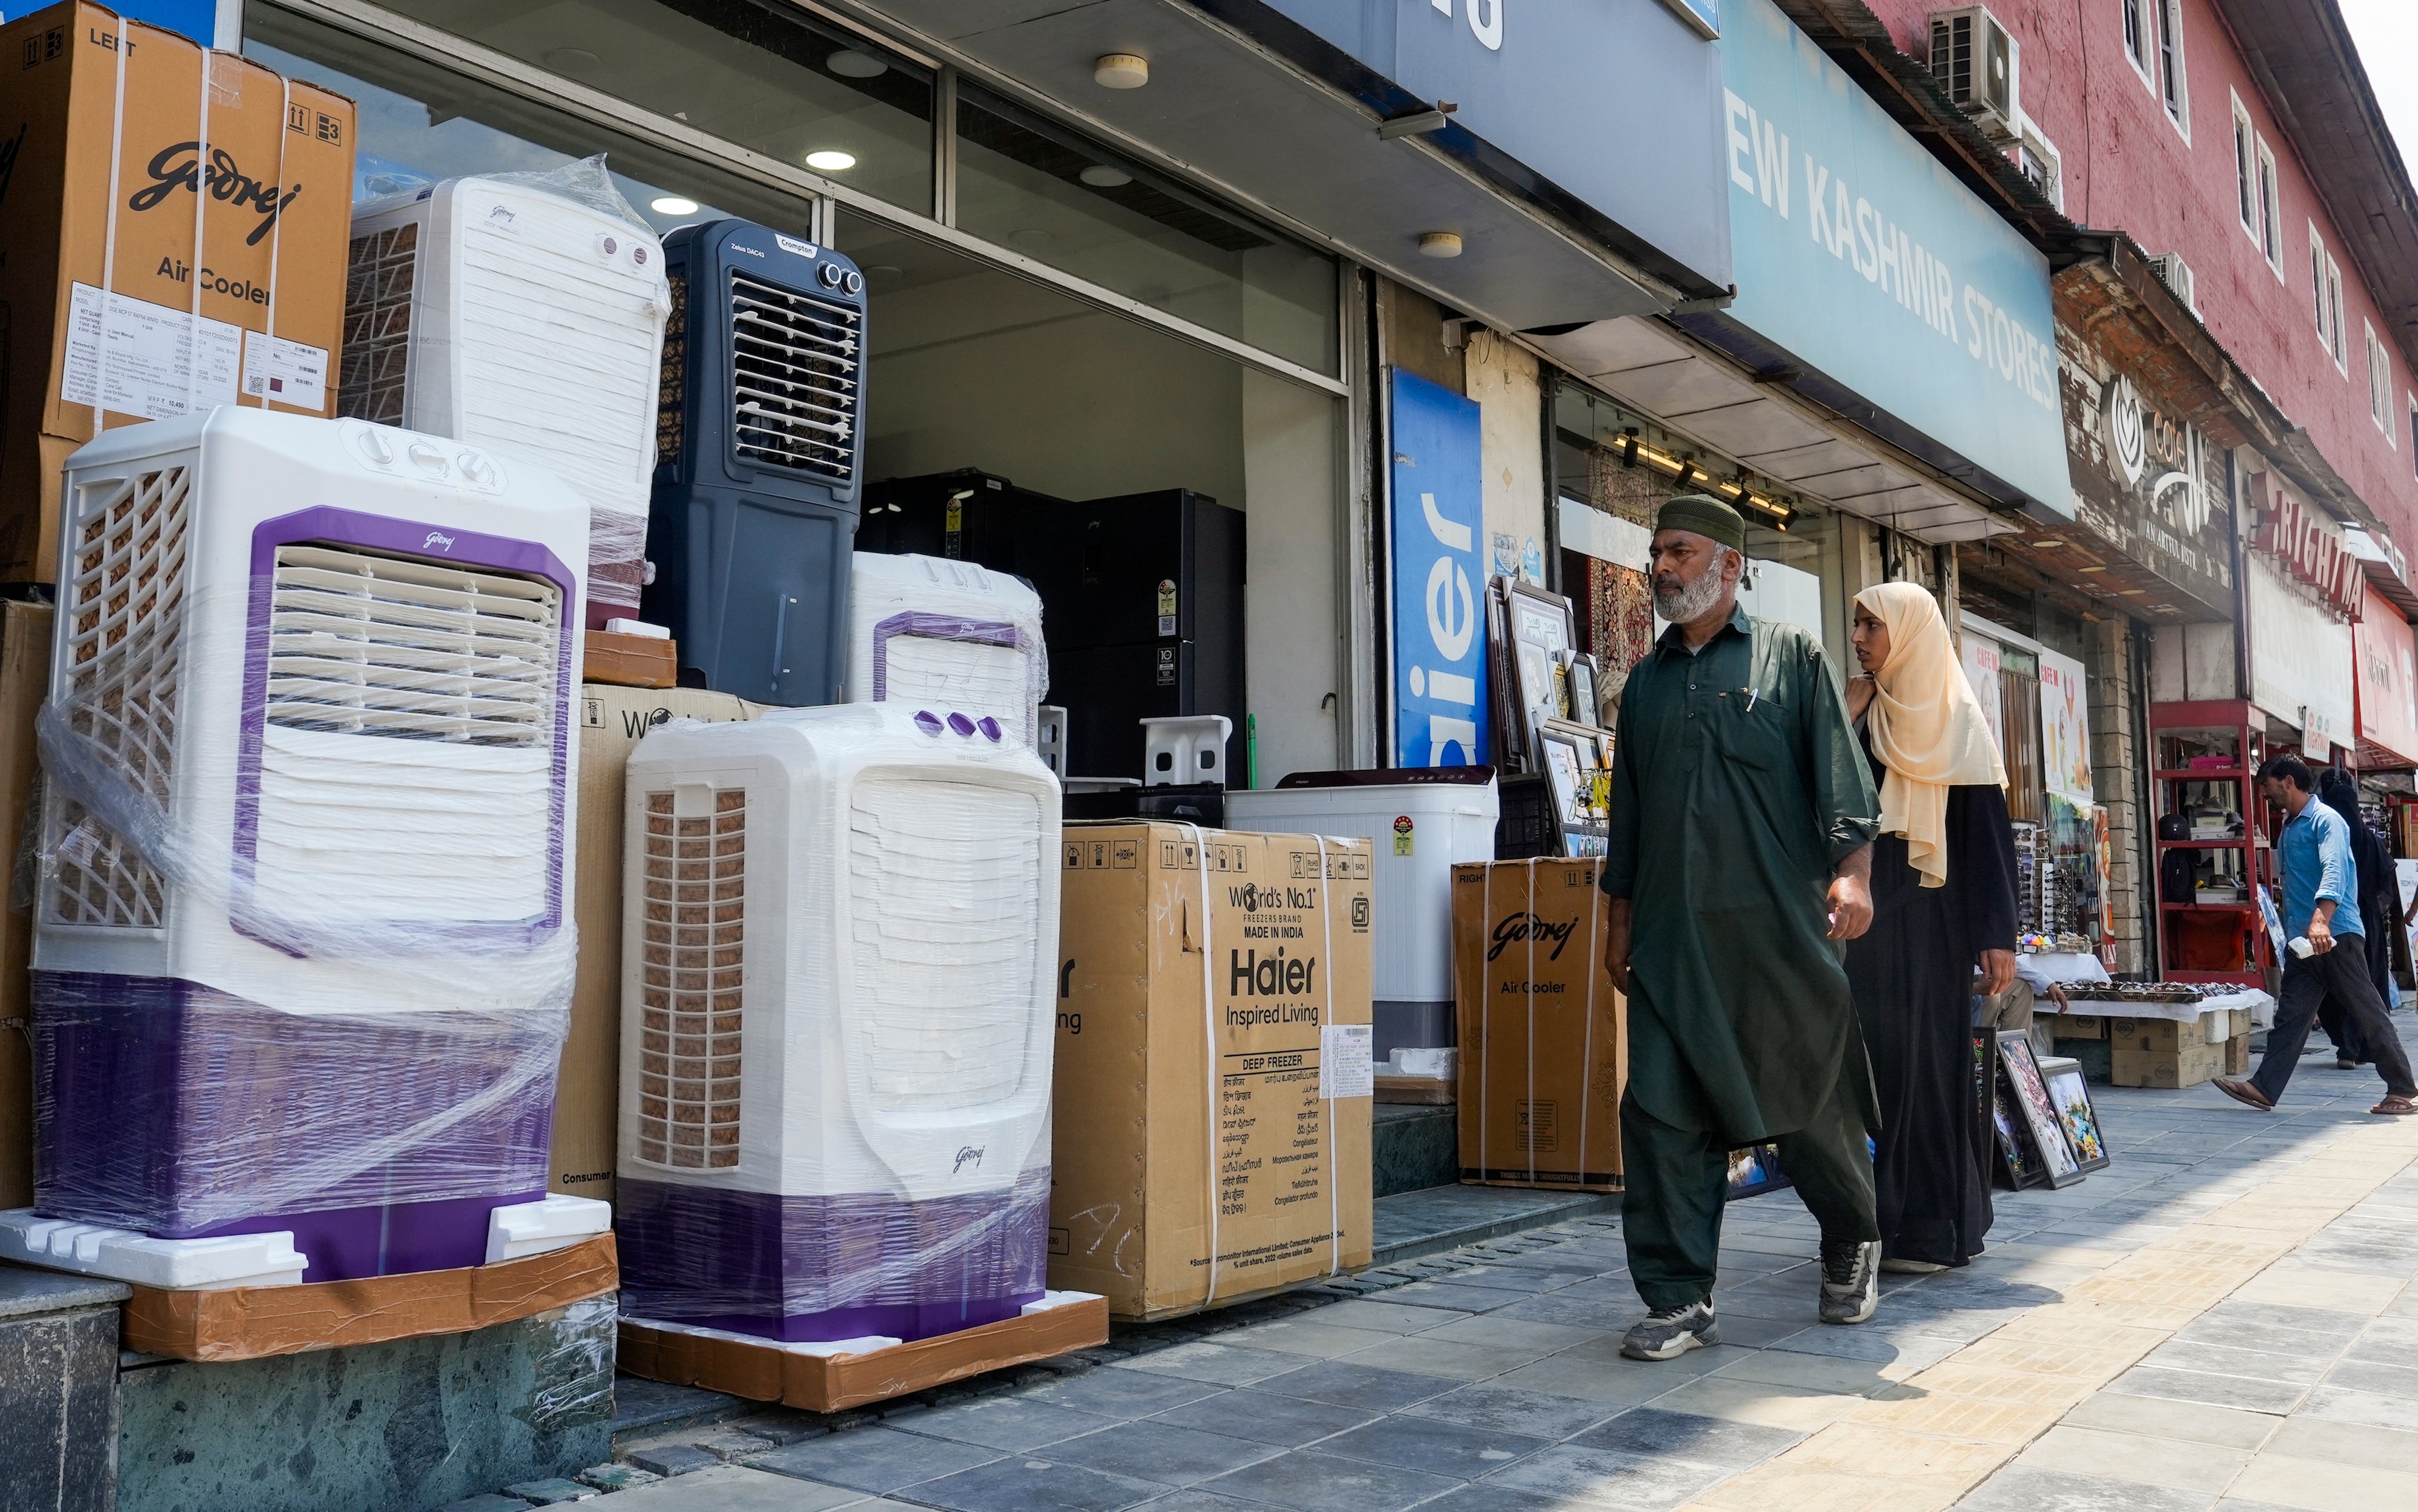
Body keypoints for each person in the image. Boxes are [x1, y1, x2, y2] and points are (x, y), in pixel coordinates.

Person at [1600, 495, 1884, 1362]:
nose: (1662, 567)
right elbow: (1632, 823)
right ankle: (1680, 1296)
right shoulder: (1643, 685)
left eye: (1679, 551)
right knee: (1660, 1114)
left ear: (1727, 563)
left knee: (1807, 1106)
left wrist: (1854, 875)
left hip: (1777, 937)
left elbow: (1843, 786)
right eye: (1656, 553)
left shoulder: (1789, 658)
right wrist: (1618, 924)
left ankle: (1853, 1233)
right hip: (1671, 944)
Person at [1841, 583, 2019, 1275]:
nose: (1859, 638)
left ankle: (1934, 1225)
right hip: (1867, 929)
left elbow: (1985, 836)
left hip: (1936, 930)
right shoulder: (1861, 714)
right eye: (1856, 623)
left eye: (1872, 626)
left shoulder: (1959, 721)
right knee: (1876, 1074)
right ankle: (1873, 1221)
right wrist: (1840, 721)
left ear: (1910, 634)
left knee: (1930, 1071)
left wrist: (1997, 932)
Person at [2214, 755, 2416, 1116]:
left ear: (2288, 782)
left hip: (2334, 935)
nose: (2264, 795)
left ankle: (2403, 1089)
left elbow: (2335, 869)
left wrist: (2322, 919)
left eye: (2268, 786)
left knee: (2368, 1013)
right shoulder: (2291, 826)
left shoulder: (2327, 821)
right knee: (2291, 1017)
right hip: (2304, 941)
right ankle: (2264, 1088)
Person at [2315, 767, 2394, 1069]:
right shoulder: (2370, 841)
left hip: (2329, 917)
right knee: (2365, 984)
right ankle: (2367, 1045)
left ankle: (2346, 1046)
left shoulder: (2323, 836)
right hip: (2365, 924)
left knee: (2334, 984)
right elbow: (2385, 885)